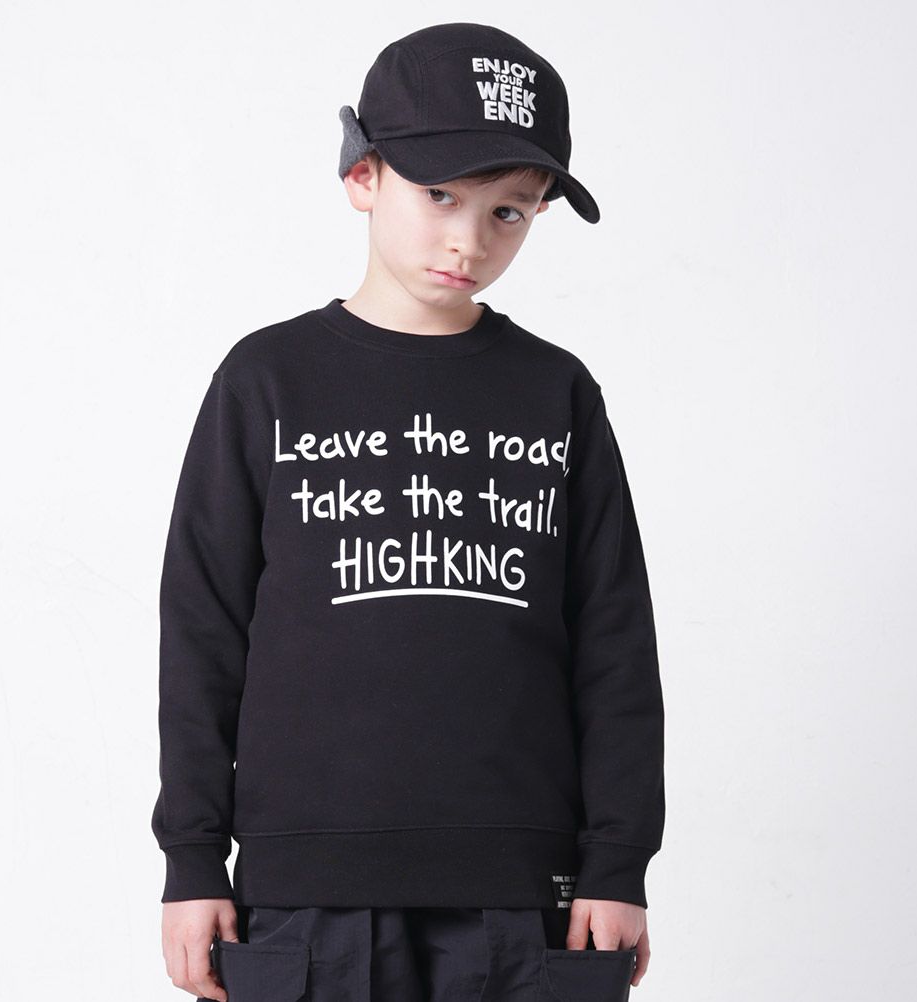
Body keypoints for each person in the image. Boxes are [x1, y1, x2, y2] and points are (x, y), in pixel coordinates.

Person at [152, 21, 665, 1002]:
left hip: (524, 897)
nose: (470, 239)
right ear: (362, 176)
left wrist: (618, 860)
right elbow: (203, 629)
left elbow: (613, 638)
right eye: (440, 195)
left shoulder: (556, 393)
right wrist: (191, 857)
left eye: (509, 211)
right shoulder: (266, 381)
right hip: (303, 892)